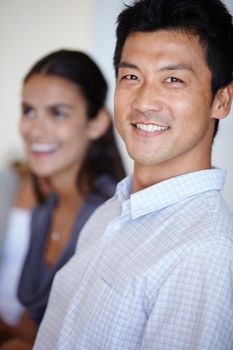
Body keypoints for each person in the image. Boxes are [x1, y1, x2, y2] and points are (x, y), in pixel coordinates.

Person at [34, 0, 233, 349]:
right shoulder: (113, 210)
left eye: (173, 79)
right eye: (131, 77)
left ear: (221, 100)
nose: (143, 101)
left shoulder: (206, 252)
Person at [0, 49, 125, 349]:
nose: (35, 130)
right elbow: (31, 331)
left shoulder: (113, 219)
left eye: (58, 113)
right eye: (29, 111)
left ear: (96, 123)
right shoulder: (46, 206)